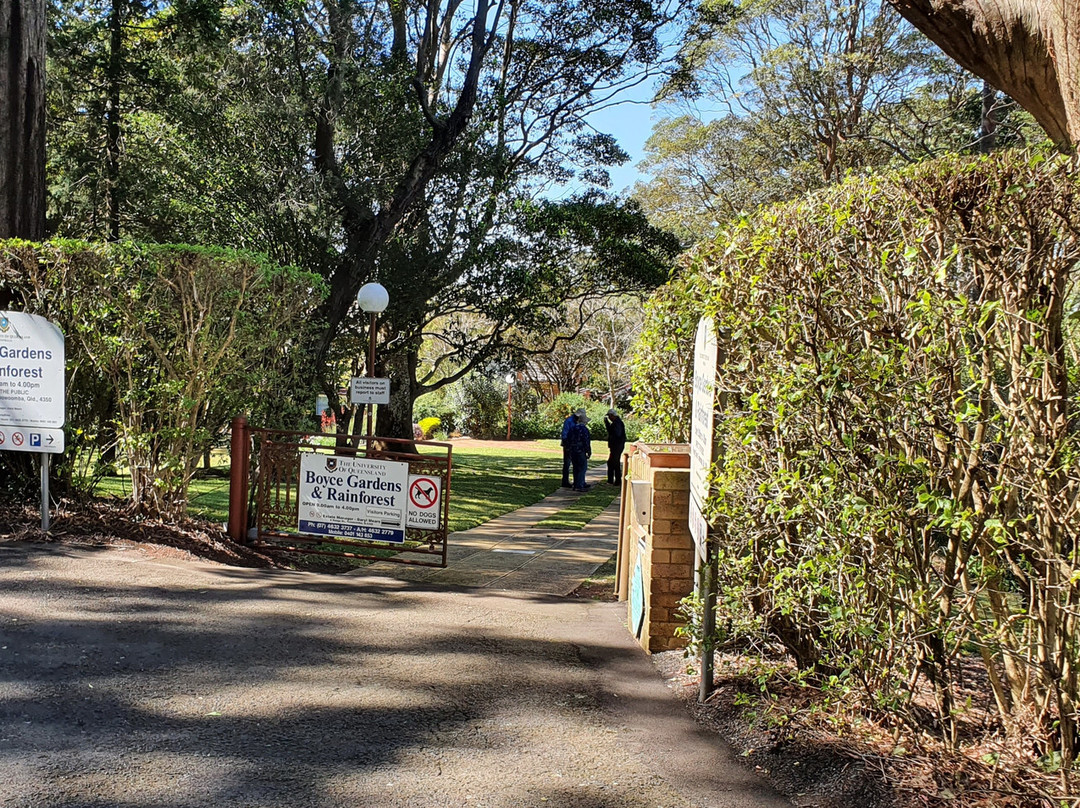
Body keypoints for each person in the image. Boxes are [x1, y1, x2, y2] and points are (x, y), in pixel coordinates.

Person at [566, 410, 592, 491]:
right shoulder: (584, 430)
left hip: (573, 450)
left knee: (575, 467)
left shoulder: (573, 428)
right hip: (581, 450)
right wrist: (588, 451)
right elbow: (586, 441)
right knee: (582, 467)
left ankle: (576, 483)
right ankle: (579, 485)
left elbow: (568, 439)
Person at [603, 408, 626, 486]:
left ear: (612, 416)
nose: (609, 418)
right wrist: (607, 424)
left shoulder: (617, 423)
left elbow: (617, 434)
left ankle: (614, 481)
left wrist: (612, 439)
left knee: (613, 463)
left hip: (617, 446)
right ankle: (614, 480)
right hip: (616, 446)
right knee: (613, 463)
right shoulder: (616, 423)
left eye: (609, 416)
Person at [559, 407, 580, 487]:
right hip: (568, 444)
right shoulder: (569, 421)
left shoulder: (574, 421)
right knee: (567, 464)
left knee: (575, 463)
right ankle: (565, 481)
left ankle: (577, 481)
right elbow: (565, 434)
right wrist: (566, 444)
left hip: (573, 444)